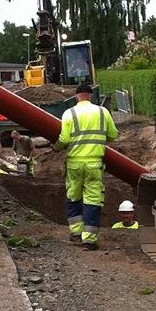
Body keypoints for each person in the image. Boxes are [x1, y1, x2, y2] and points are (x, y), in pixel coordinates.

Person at [53, 84, 119, 250]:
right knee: (93, 199)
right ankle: (89, 239)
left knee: (73, 196)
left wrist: (56, 147)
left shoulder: (69, 113)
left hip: (74, 164)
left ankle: (76, 233)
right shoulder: (102, 112)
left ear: (77, 97)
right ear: (90, 96)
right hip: (94, 164)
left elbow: (64, 139)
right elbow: (113, 135)